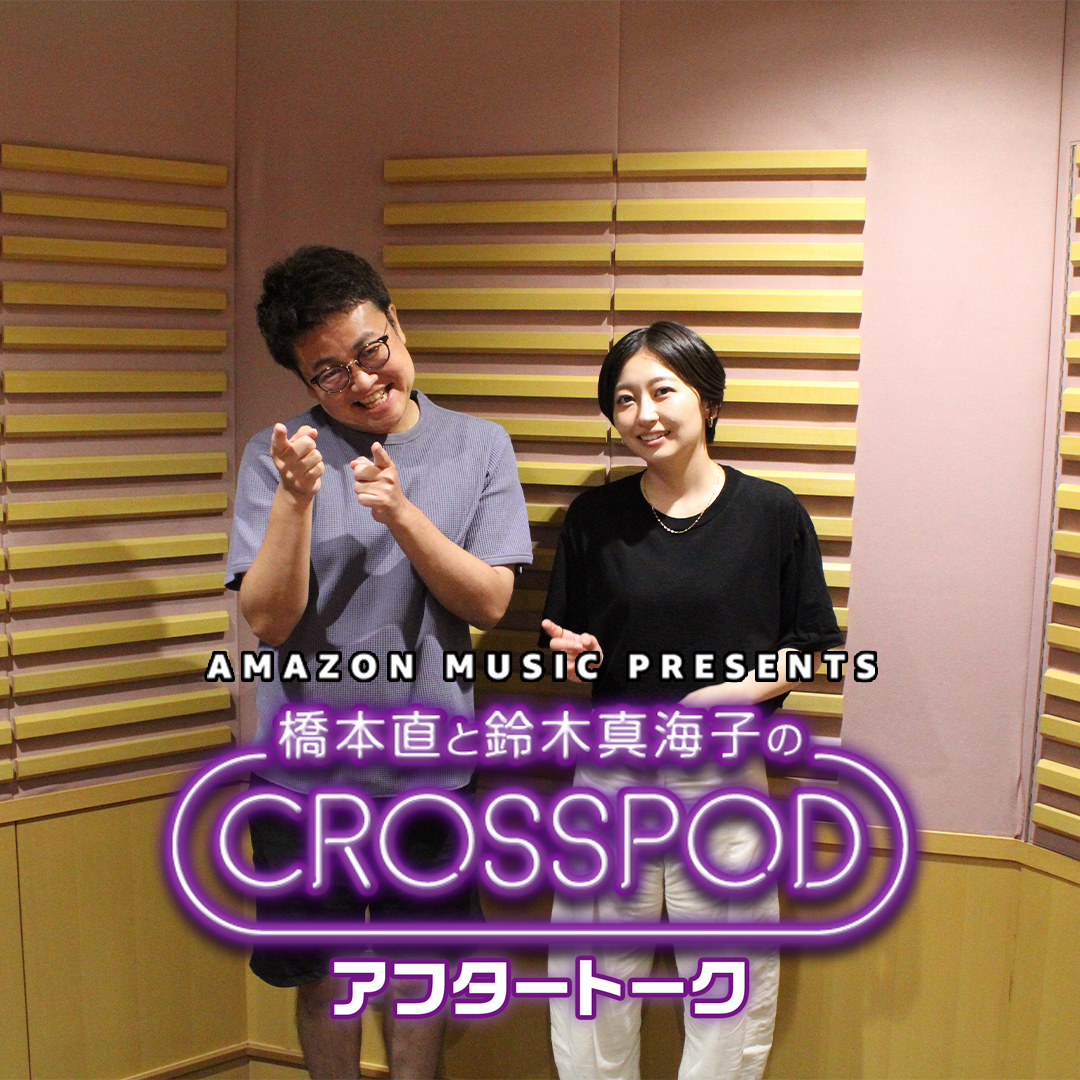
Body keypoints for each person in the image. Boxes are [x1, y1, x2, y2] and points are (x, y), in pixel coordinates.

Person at [226, 246, 532, 1080]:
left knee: (419, 978)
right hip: (301, 776)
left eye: (370, 350)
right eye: (329, 373)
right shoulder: (275, 457)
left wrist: (402, 514)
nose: (362, 381)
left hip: (433, 772)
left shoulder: (480, 446)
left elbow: (491, 603)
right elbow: (268, 618)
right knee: (323, 977)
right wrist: (295, 498)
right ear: (305, 378)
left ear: (396, 322)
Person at [541, 321, 842, 1080]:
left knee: (728, 979)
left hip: (723, 781)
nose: (643, 414)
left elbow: (814, 645)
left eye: (662, 391)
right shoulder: (594, 519)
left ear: (707, 400)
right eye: (624, 399)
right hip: (611, 778)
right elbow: (567, 639)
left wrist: (739, 692)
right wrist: (573, 652)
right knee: (593, 979)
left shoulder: (772, 513)